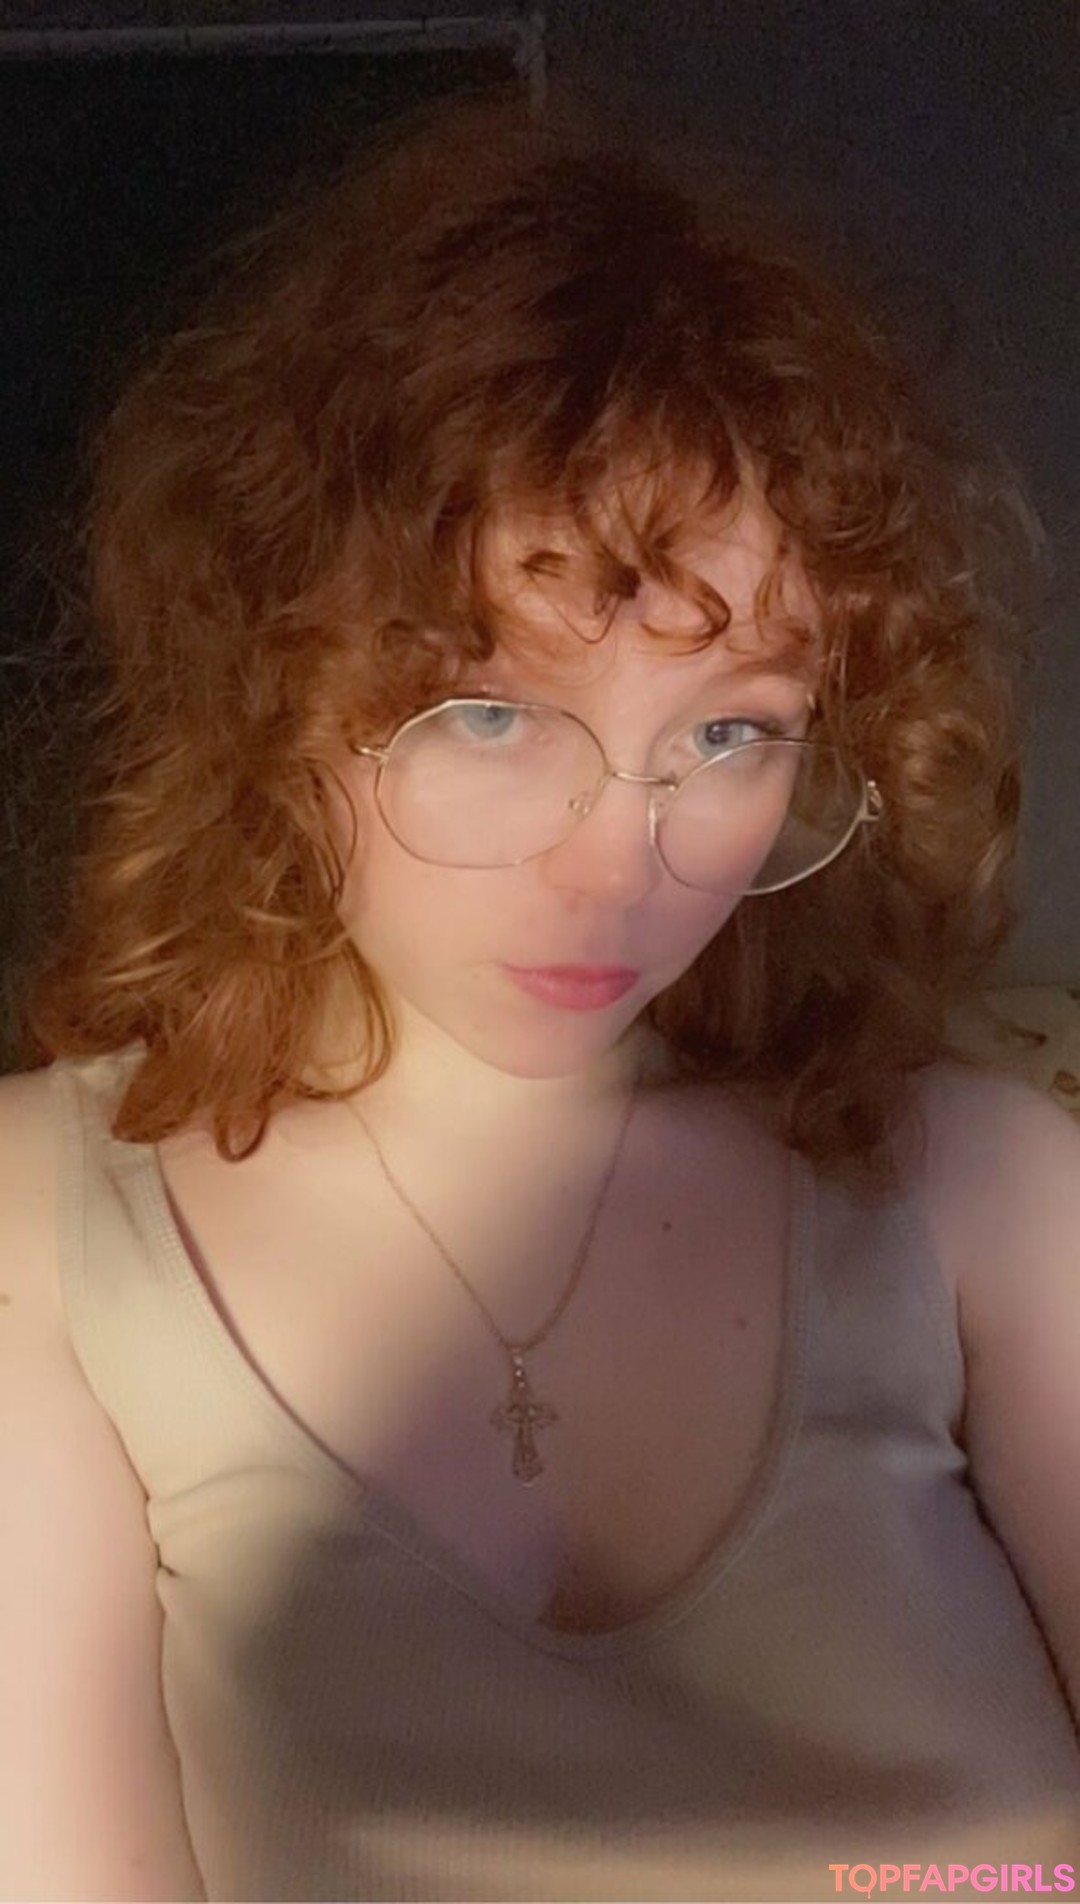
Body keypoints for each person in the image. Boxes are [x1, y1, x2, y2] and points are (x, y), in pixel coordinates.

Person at [2, 85, 1078, 1904]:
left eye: (728, 734)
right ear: (275, 687)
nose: (619, 864)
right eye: (492, 714)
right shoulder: (44, 1229)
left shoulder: (993, 1191)